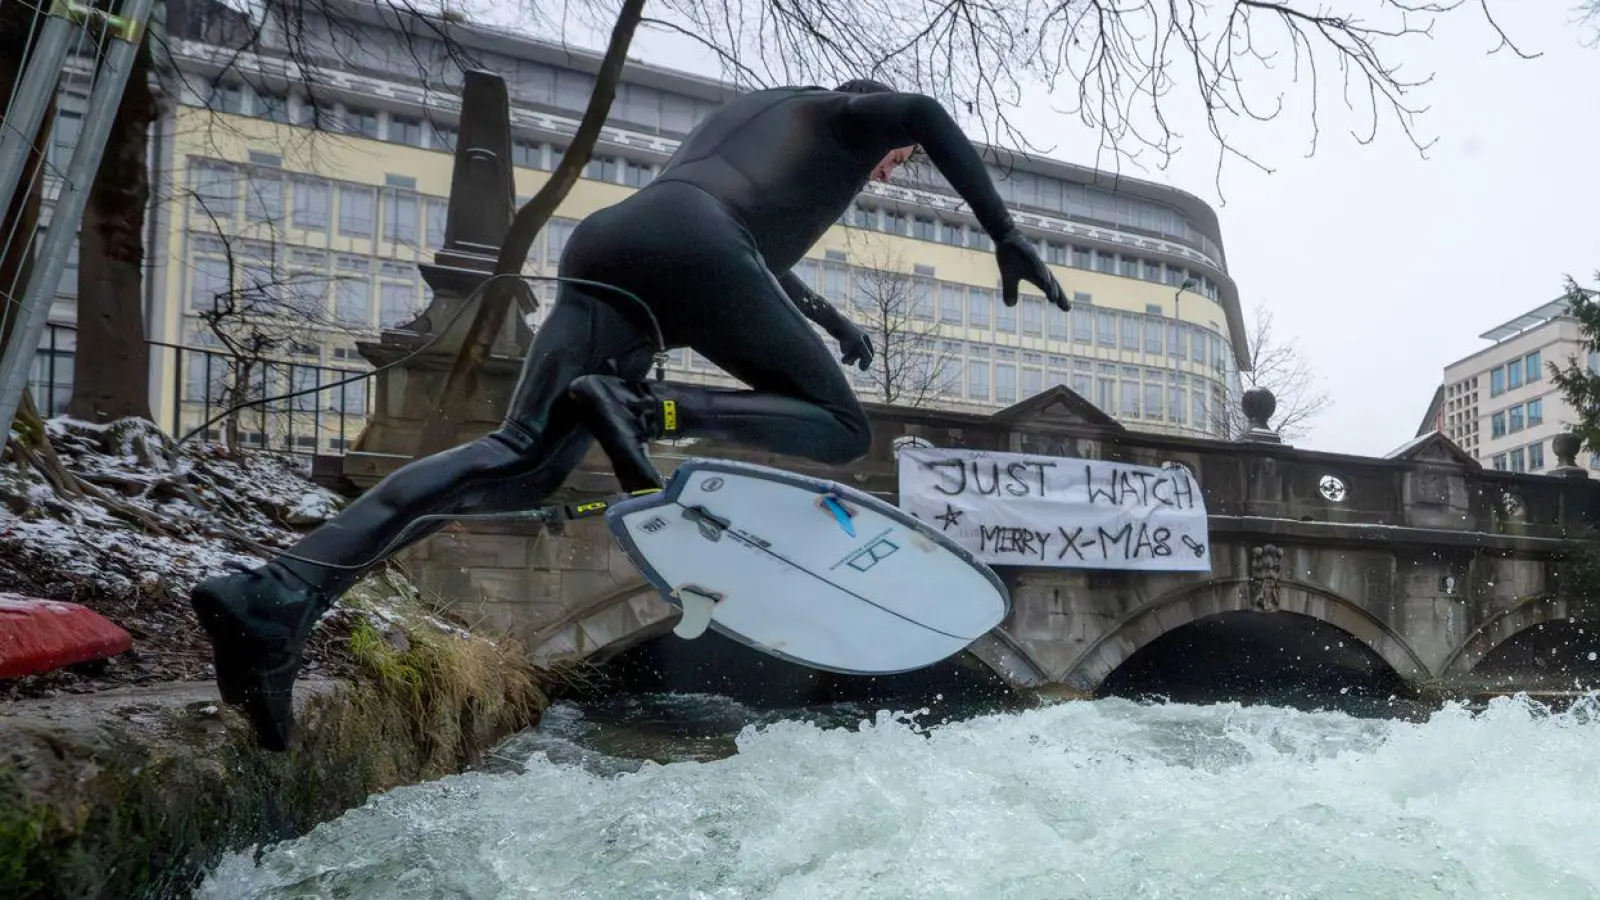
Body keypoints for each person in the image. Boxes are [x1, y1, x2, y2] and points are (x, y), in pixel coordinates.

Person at [189, 78, 1070, 752]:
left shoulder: (756, 117)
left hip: (615, 243)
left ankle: (280, 595)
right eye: (898, 161)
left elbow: (739, 236)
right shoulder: (851, 116)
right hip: (694, 255)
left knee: (520, 458)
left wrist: (830, 317)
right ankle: (649, 407)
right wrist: (1003, 230)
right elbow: (920, 110)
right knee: (841, 429)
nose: (894, 167)